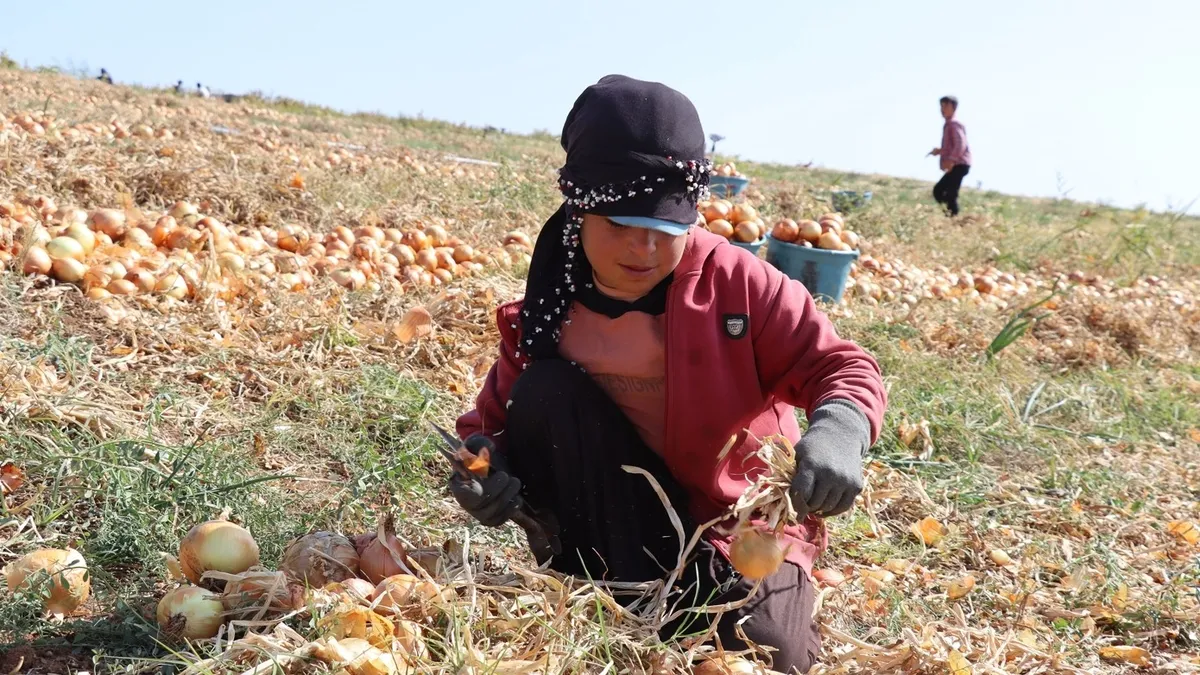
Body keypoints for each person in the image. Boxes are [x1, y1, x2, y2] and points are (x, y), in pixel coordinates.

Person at [452, 75, 886, 674]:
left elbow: (838, 364)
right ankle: (608, 582)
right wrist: (482, 471)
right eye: (621, 226)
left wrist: (841, 427)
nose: (643, 250)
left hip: (736, 525)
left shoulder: (739, 285)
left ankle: (663, 601)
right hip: (615, 515)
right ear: (580, 210)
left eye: (664, 231)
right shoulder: (552, 300)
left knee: (769, 658)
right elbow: (487, 430)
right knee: (545, 390)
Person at [929, 95, 972, 216]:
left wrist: (951, 160)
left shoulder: (954, 124)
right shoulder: (949, 124)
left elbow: (960, 144)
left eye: (946, 106)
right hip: (958, 164)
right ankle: (951, 216)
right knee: (943, 192)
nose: (942, 109)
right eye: (941, 106)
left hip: (959, 164)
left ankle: (953, 218)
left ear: (953, 107)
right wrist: (940, 151)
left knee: (943, 192)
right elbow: (951, 146)